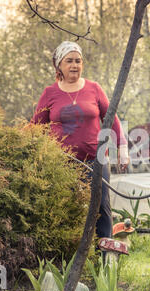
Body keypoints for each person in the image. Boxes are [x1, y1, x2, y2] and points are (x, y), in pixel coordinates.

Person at [30, 41, 129, 240]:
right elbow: (36, 126)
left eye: (78, 61)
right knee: (65, 207)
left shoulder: (94, 88)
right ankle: (70, 253)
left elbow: (111, 117)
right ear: (59, 65)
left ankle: (104, 257)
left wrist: (123, 147)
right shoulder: (50, 93)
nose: (74, 65)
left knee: (101, 207)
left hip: (96, 160)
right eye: (69, 61)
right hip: (61, 163)